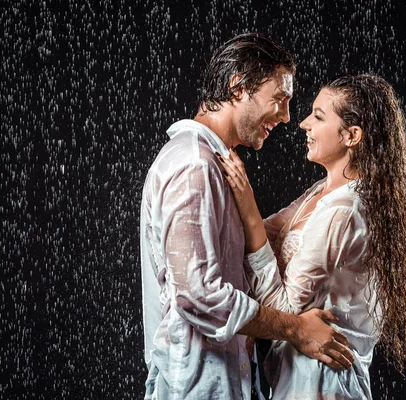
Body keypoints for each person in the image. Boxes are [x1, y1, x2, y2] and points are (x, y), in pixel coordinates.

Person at [140, 33, 354, 400]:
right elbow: (198, 296)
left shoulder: (214, 165)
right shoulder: (194, 165)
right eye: (279, 99)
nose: (287, 117)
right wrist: (296, 329)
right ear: (239, 87)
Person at [218, 74, 406, 399]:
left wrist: (246, 201)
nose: (303, 124)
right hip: (300, 377)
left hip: (322, 382)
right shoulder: (324, 192)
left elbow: (286, 308)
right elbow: (263, 234)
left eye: (318, 116)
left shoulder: (345, 210)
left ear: (352, 135)